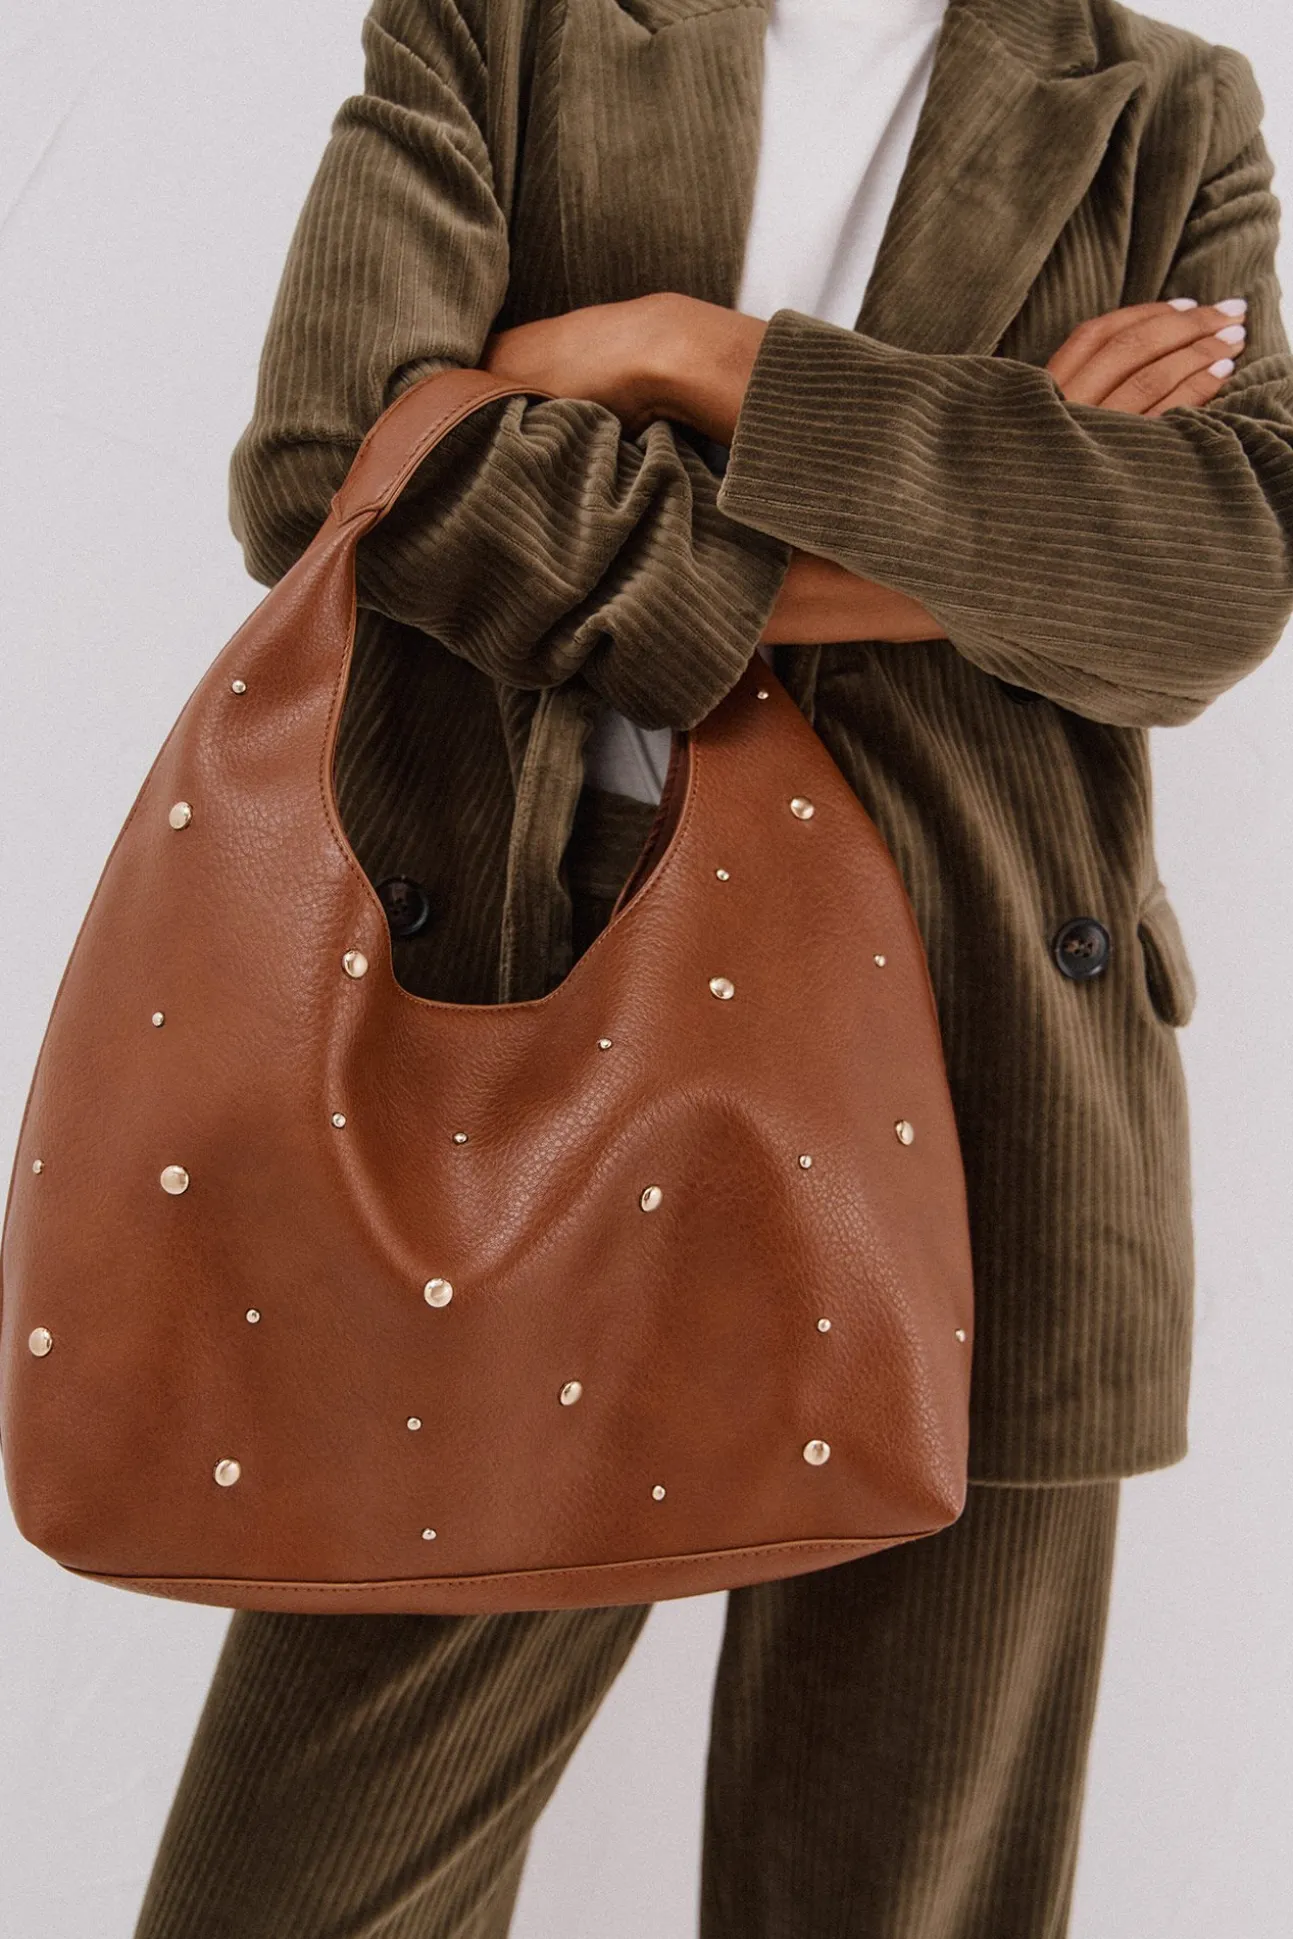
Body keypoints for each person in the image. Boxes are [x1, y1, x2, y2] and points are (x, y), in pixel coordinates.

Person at [132, 1, 1293, 1933]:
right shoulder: (499, 29)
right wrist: (991, 521)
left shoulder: (1165, 105)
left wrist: (700, 355)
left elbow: (1210, 577)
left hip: (1001, 1051)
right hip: (527, 1036)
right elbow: (339, 463)